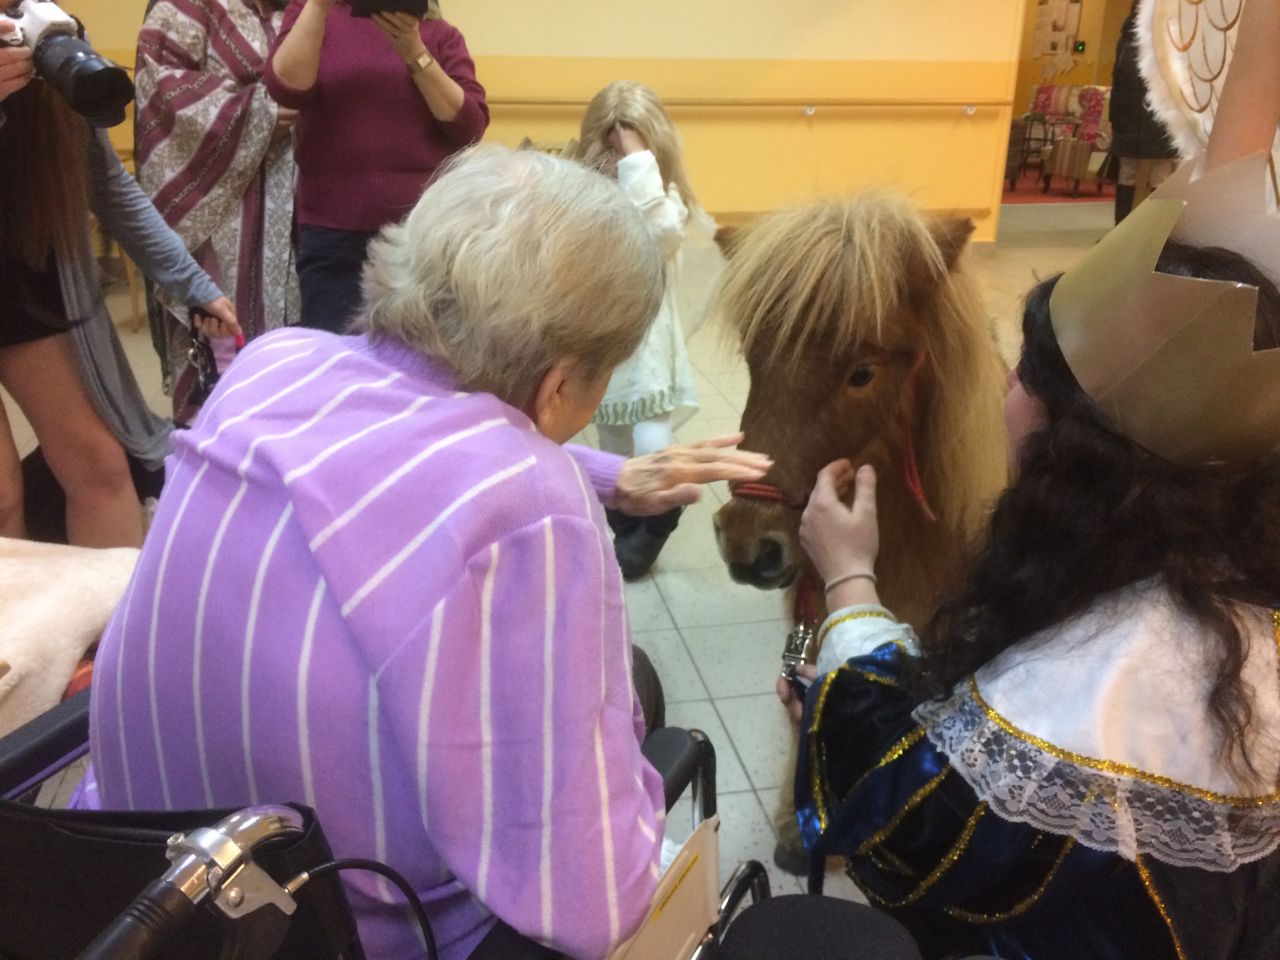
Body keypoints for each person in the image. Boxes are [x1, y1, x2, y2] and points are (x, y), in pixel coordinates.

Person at [83, 145, 771, 960]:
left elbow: (398, 450)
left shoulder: (271, 365)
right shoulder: (536, 507)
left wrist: (608, 476)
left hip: (131, 894)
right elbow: (591, 902)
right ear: (559, 387)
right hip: (336, 936)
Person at [775, 2, 1280, 955]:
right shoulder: (1236, 599)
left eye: (1024, 379)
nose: (1002, 391)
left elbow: (900, 819)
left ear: (1073, 447)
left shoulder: (1099, 695)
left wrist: (848, 584)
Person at [0, 15, 237, 548]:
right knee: (3, 495)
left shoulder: (49, 31)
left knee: (101, 469)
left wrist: (192, 283)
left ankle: (119, 607)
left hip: (24, 279)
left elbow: (107, 184)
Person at [266, 0, 488, 333]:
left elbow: (469, 127)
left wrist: (414, 52)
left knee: (417, 352)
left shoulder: (440, 35)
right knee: (334, 351)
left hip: (418, 238)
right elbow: (286, 87)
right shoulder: (313, 13)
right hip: (332, 234)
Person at [135, 0, 300, 425]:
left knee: (295, 366)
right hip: (213, 211)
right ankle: (213, 448)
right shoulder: (185, 9)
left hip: (297, 209)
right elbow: (162, 95)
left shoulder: (301, 11)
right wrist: (259, 111)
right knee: (218, 348)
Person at [571, 80, 711, 579]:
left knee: (652, 441)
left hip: (649, 356)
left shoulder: (662, 200)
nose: (618, 161)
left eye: (629, 150)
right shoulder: (589, 200)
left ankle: (659, 521)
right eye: (610, 150)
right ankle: (624, 521)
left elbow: (658, 233)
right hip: (606, 353)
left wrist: (636, 162)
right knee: (614, 443)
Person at [1107, 2, 1180, 223]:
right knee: (1127, 174)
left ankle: (1156, 232)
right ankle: (1120, 229)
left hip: (1160, 120)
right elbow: (1117, 81)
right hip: (1128, 119)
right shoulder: (1125, 42)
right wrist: (1114, 119)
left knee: (1161, 177)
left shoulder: (1170, 40)